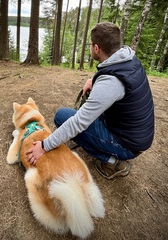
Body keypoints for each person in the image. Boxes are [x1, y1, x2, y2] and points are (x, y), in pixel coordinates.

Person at [26, 22, 154, 179]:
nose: (90, 47)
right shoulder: (128, 60)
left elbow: (79, 122)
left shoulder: (112, 82)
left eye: (90, 44)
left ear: (97, 48)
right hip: (135, 134)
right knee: (78, 116)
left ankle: (114, 162)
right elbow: (112, 78)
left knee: (63, 116)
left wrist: (44, 146)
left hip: (127, 145)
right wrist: (94, 80)